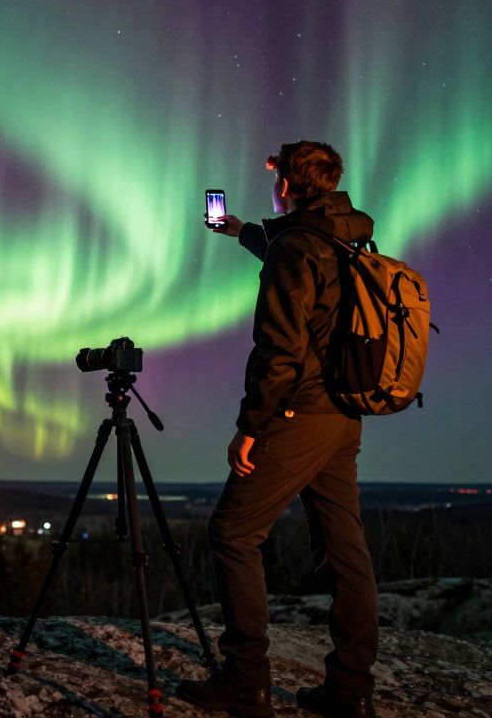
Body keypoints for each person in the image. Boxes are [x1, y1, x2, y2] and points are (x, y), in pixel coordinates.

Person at [176, 141, 379, 718]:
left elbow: (281, 349)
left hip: (301, 412)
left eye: (277, 179)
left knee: (234, 533)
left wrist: (251, 427)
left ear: (287, 185)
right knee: (344, 546)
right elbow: (299, 258)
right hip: (343, 415)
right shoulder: (346, 233)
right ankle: (351, 690)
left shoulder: (300, 244)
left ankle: (246, 681)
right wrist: (242, 231)